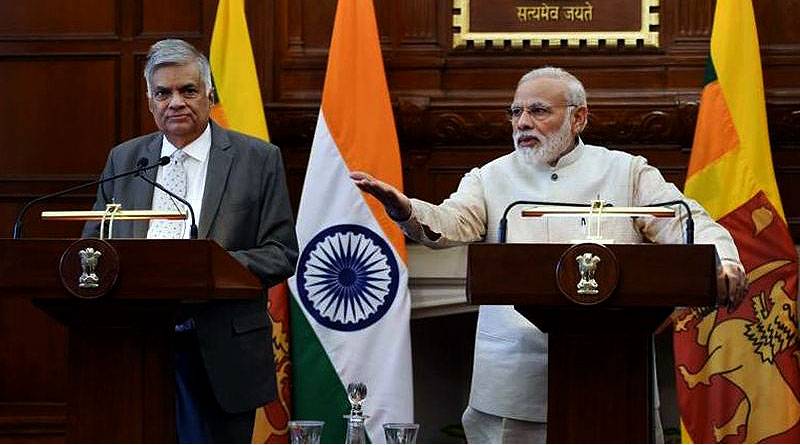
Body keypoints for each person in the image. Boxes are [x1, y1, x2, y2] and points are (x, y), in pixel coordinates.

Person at [351, 67, 747, 443]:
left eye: (538, 111)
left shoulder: (625, 171)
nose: (522, 122)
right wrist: (405, 209)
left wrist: (724, 261)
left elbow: (686, 221)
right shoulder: (490, 177)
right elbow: (449, 222)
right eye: (516, 112)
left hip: (613, 376)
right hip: (512, 380)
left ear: (579, 118)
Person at [82, 39, 298, 443]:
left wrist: (208, 267)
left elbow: (281, 253)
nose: (175, 102)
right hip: (137, 348)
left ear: (209, 95)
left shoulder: (257, 160)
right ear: (150, 102)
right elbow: (94, 247)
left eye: (188, 90)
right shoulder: (125, 160)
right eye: (163, 93)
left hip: (223, 351)